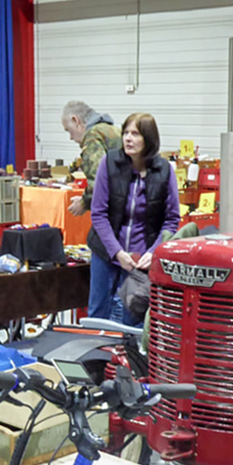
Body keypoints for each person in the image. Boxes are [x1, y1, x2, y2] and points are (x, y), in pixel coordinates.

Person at [89, 112, 180, 324]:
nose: (128, 139)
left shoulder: (164, 171)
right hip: (105, 252)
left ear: (149, 139)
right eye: (126, 133)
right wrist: (117, 252)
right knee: (98, 314)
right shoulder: (109, 163)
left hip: (141, 260)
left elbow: (172, 220)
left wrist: (153, 252)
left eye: (135, 134)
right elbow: (98, 214)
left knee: (133, 319)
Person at [62, 100, 121, 217]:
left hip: (115, 211)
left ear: (75, 120)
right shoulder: (113, 130)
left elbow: (98, 178)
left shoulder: (92, 137)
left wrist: (83, 203)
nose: (71, 137)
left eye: (68, 130)